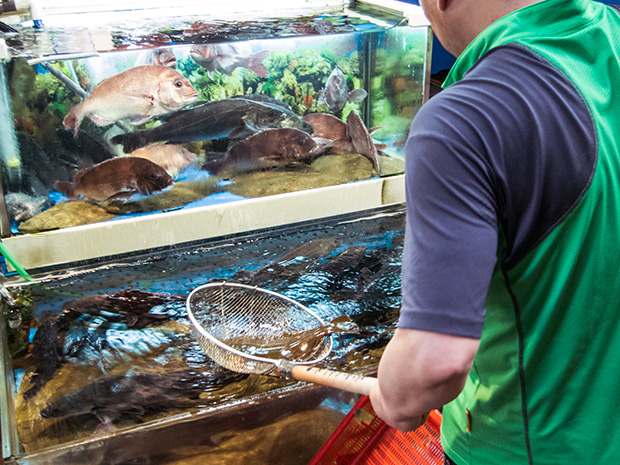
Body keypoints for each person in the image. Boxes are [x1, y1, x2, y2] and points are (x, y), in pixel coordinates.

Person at [368, 0, 620, 464]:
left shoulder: (461, 122)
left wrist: (395, 396)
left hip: (530, 450)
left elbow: (433, 366)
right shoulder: (610, 33)